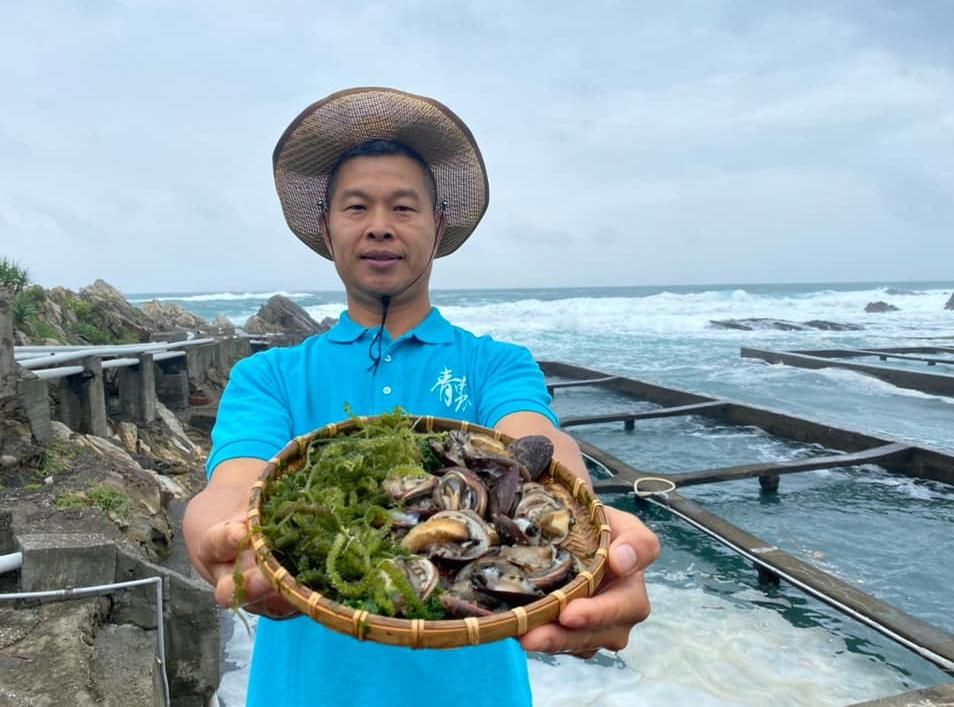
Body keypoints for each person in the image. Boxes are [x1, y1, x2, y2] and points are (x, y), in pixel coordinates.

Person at [183, 87, 660, 707]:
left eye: (404, 207)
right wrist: (218, 541)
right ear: (327, 228)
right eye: (357, 206)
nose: (380, 224)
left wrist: (594, 535)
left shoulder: (495, 364)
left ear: (438, 226)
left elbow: (540, 443)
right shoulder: (269, 375)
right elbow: (231, 488)